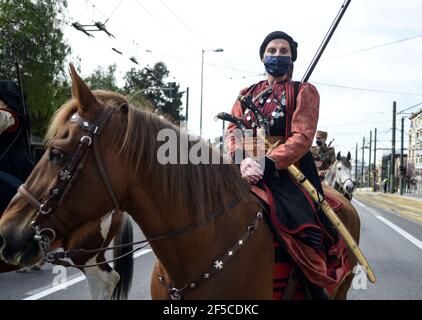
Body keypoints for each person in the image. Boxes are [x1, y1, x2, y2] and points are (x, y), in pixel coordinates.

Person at [225, 31, 348, 300]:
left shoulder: (304, 92)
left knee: (303, 229)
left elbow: (302, 138)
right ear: (262, 57)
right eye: (272, 51)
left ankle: (315, 289)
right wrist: (242, 161)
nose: (277, 56)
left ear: (292, 57)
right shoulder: (246, 94)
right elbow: (233, 131)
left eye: (284, 51)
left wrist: (266, 164)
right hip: (245, 169)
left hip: (288, 174)